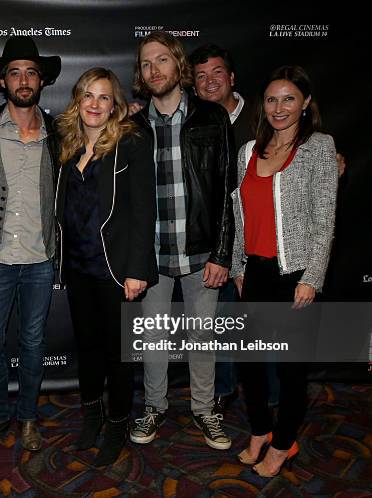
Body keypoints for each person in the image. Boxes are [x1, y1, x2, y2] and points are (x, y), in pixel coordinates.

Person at [129, 31, 236, 450]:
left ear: (178, 65)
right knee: (154, 336)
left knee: (202, 336)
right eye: (145, 63)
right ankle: (154, 406)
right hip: (151, 254)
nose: (154, 69)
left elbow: (230, 190)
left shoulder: (212, 118)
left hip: (202, 251)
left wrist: (224, 253)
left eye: (161, 60)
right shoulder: (132, 125)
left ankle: (205, 408)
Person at [231, 65, 337, 477]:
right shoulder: (248, 151)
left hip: (295, 274)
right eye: (272, 99)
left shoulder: (320, 147)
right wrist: (240, 265)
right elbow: (241, 216)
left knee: (291, 370)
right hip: (254, 272)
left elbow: (325, 220)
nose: (279, 107)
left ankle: (283, 443)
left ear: (306, 102)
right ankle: (260, 430)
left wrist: (312, 277)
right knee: (250, 364)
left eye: (289, 98)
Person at [55, 68, 157, 466]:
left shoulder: (129, 143)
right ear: (77, 101)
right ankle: (91, 416)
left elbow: (143, 211)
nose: (95, 105)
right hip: (79, 267)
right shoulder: (69, 144)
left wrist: (138, 269)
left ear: (115, 105)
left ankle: (116, 425)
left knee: (119, 355)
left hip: (116, 270)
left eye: (103, 98)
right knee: (89, 348)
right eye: (87, 96)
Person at [0, 36, 61, 452]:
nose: (23, 80)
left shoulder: (60, 132)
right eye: (15, 72)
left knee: (34, 343)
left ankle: (27, 418)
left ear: (41, 81)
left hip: (40, 258)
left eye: (31, 72)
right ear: (3, 81)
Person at [189, 43, 255, 414]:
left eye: (216, 73)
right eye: (200, 76)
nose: (209, 81)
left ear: (231, 77)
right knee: (218, 321)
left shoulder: (264, 117)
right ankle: (223, 388)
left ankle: (273, 397)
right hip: (215, 241)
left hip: (260, 239)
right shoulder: (194, 120)